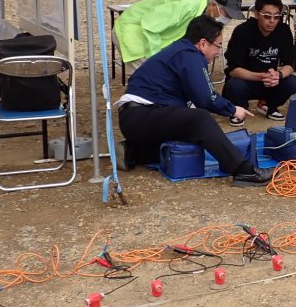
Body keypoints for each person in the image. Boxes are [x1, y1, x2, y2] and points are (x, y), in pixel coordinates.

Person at [115, 16, 271, 186]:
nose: (218, 52)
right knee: (200, 118)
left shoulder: (181, 51)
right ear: (203, 43)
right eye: (218, 46)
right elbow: (207, 98)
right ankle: (243, 170)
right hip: (141, 115)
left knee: (191, 135)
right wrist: (233, 109)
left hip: (137, 117)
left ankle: (134, 152)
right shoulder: (190, 56)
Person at [115, 0, 245, 69]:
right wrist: (158, 60)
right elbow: (150, 27)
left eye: (231, 16)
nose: (227, 19)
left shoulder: (206, 17)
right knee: (153, 78)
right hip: (134, 33)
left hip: (156, 39)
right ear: (213, 5)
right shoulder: (185, 5)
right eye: (226, 14)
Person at [222, 0, 296, 125]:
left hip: (270, 81)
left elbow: (289, 64)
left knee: (293, 82)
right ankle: (239, 108)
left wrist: (278, 75)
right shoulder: (242, 31)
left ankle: (268, 105)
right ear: (257, 14)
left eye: (276, 17)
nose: (272, 21)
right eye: (267, 16)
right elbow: (233, 70)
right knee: (235, 85)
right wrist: (261, 76)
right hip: (247, 80)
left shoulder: (283, 30)